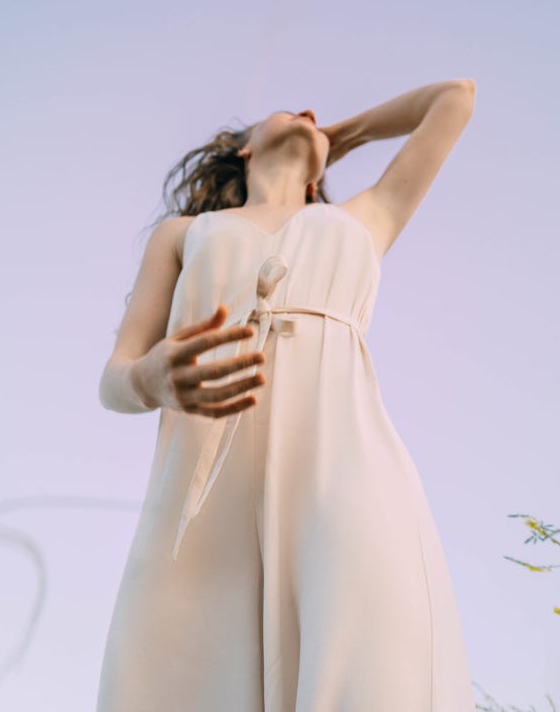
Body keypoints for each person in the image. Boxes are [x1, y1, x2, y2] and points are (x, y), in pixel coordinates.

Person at [97, 79, 477, 711]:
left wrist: (335, 137)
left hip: (344, 473)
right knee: (179, 674)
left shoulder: (363, 218)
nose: (308, 113)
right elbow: (115, 377)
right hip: (201, 496)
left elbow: (455, 98)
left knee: (369, 662)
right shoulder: (186, 234)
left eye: (316, 116)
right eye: (288, 111)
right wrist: (150, 379)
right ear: (242, 151)